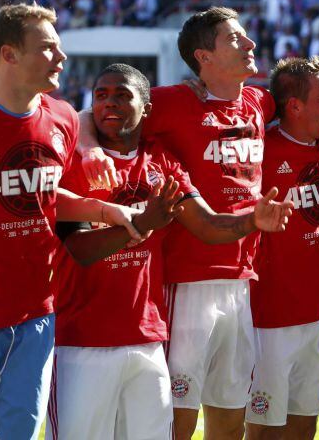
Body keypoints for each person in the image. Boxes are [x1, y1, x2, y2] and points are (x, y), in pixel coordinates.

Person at [76, 7, 319, 440]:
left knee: (230, 412)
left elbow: (313, 107)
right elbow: (92, 114)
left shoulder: (260, 100)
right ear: (204, 56)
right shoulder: (171, 103)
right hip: (188, 281)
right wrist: (90, 149)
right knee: (176, 414)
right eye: (236, 39)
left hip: (242, 282)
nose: (250, 45)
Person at [46, 63, 292, 440]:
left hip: (147, 340)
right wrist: (143, 222)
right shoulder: (74, 163)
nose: (109, 104)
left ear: (146, 107)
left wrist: (251, 221)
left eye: (122, 95)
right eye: (101, 96)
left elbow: (207, 225)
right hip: (81, 344)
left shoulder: (161, 160)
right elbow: (80, 248)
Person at [0, 3, 141, 440]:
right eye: (47, 48)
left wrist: (104, 211)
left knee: (19, 432)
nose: (61, 58)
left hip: (36, 312)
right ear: (9, 54)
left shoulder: (61, 117)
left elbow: (38, 195)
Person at [245, 56, 319, 439]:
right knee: (265, 429)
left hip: (315, 315)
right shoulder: (260, 151)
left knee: (305, 423)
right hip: (269, 318)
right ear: (295, 106)